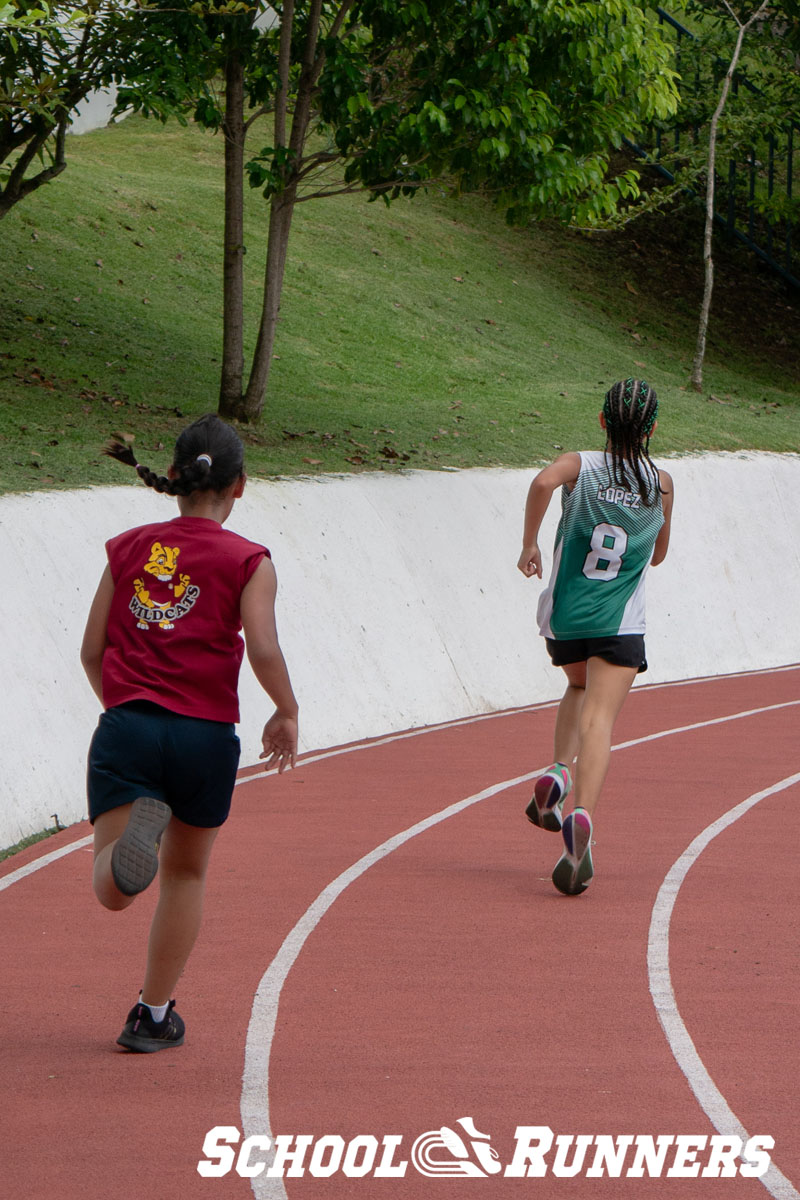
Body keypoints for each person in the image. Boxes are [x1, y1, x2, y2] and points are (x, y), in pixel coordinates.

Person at [80, 413, 299, 1050]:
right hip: (205, 736)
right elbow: (262, 646)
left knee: (113, 891)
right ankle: (152, 1016)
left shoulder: (128, 548)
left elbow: (92, 650)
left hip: (129, 726)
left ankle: (120, 873)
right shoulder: (248, 560)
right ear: (241, 486)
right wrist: (285, 710)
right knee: (185, 876)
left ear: (171, 477)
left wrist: (123, 709)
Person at [517, 378, 673, 896]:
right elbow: (658, 555)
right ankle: (580, 814)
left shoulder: (578, 465)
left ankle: (559, 772)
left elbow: (541, 483)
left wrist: (530, 545)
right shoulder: (662, 483)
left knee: (578, 688)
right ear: (652, 428)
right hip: (621, 623)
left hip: (567, 619)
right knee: (600, 718)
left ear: (603, 421)